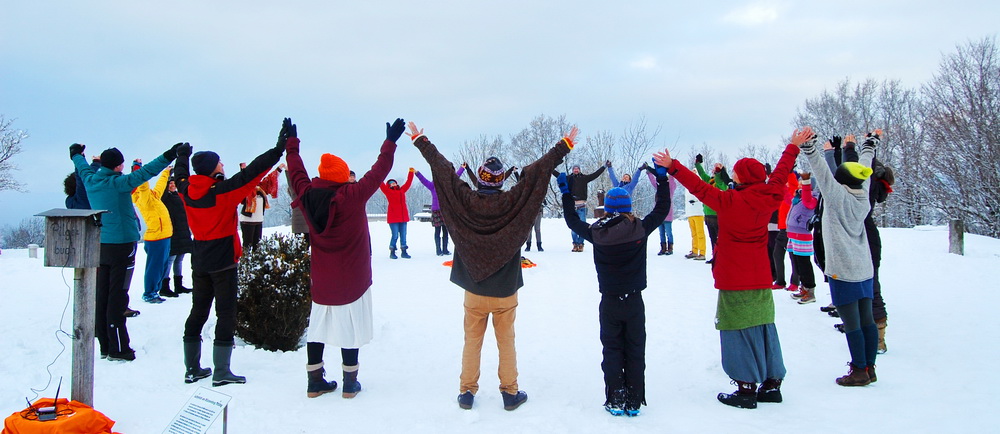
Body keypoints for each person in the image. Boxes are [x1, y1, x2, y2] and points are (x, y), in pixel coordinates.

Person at [410, 121, 574, 412]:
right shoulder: (512, 202)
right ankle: (510, 393)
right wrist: (562, 147)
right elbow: (534, 177)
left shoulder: (466, 200)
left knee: (471, 341)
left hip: (472, 288)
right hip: (505, 289)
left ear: (481, 180)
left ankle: (466, 392)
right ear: (499, 181)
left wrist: (422, 141)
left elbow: (445, 173)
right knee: (506, 342)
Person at [654, 127, 810, 409]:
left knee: (735, 329)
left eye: (736, 173)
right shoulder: (771, 194)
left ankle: (746, 388)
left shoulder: (729, 200)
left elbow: (699, 187)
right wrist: (792, 147)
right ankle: (772, 384)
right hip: (761, 275)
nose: (733, 176)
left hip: (734, 277)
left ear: (743, 178)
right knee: (764, 325)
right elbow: (779, 173)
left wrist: (673, 167)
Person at [287, 118, 406, 399]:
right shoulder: (351, 196)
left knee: (316, 329)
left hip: (323, 278)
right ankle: (350, 383)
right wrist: (390, 143)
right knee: (350, 327)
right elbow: (380, 171)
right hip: (352, 277)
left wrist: (291, 146)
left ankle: (314, 380)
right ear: (341, 176)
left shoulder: (306, 195)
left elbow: (296, 174)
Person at [173, 118, 287, 386]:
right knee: (226, 313)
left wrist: (182, 157)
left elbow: (179, 176)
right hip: (223, 258)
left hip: (199, 256)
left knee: (198, 311)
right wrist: (279, 148)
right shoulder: (223, 192)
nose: (223, 165)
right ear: (213, 170)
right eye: (219, 163)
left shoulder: (186, 190)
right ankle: (221, 371)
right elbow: (254, 172)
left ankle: (192, 369)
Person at [561, 164, 672, 416]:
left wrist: (567, 193)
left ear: (607, 208)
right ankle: (633, 400)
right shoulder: (640, 228)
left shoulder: (596, 232)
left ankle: (615, 398)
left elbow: (570, 220)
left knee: (611, 350)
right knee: (635, 348)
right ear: (628, 207)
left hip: (609, 302)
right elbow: (662, 209)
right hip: (634, 301)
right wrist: (662, 180)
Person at [70, 142, 179, 361]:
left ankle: (104, 345)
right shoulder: (120, 183)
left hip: (101, 244)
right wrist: (169, 155)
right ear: (119, 166)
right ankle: (119, 349)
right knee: (117, 296)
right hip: (122, 246)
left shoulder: (91, 179)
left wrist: (76, 155)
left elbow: (82, 167)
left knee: (102, 295)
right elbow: (148, 171)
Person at [801, 130, 879, 386]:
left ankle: (858, 371)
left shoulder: (837, 198)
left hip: (842, 270)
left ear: (841, 181)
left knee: (852, 324)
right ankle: (869, 367)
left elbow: (821, 172)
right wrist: (870, 143)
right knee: (866, 320)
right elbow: (865, 165)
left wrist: (810, 146)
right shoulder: (862, 194)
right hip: (864, 268)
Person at [130, 160, 174, 302]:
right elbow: (143, 184)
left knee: (161, 266)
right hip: (156, 238)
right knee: (154, 267)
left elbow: (160, 185)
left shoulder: (153, 196)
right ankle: (149, 293)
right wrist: (138, 168)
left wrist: (166, 172)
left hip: (165, 236)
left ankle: (155, 290)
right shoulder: (143, 198)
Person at [554, 163, 607, 252]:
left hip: (582, 205)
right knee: (574, 227)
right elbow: (558, 175)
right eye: (574, 169)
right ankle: (575, 244)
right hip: (572, 206)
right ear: (572, 170)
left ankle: (581, 244)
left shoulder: (584, 178)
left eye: (577, 169)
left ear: (579, 170)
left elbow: (595, 175)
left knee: (582, 226)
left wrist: (604, 167)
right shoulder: (568, 178)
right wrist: (550, 166)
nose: (576, 170)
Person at [415, 164, 465, 256]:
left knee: (446, 231)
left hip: (445, 211)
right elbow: (423, 181)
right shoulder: (432, 185)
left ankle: (445, 249)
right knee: (437, 231)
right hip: (436, 211)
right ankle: (438, 250)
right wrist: (417, 173)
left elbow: (455, 177)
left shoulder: (446, 185)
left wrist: (462, 168)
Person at [785, 172, 819, 304]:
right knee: (796, 262)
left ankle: (810, 291)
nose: (800, 183)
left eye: (802, 182)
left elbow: (808, 203)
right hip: (792, 234)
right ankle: (804, 287)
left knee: (804, 263)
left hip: (802, 234)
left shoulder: (813, 197)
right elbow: (787, 199)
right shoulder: (798, 196)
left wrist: (806, 184)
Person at [162, 169, 194, 295]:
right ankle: (164, 286)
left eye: (174, 183)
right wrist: (167, 175)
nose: (172, 185)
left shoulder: (179, 196)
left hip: (183, 232)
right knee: (170, 259)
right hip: (172, 232)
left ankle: (178, 285)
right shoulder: (164, 198)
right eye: (170, 183)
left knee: (179, 259)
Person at [238, 163, 283, 249]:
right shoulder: (248, 188)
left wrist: (279, 169)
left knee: (257, 246)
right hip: (247, 221)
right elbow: (243, 182)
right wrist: (243, 170)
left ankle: (257, 262)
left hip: (258, 220)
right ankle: (246, 262)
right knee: (248, 245)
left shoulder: (261, 187)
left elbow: (270, 179)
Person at [694, 156, 728, 263]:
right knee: (712, 238)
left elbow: (720, 185)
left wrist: (719, 172)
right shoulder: (709, 181)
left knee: (720, 240)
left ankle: (722, 257)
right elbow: (702, 174)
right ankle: (715, 256)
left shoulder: (722, 184)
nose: (713, 172)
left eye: (715, 171)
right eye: (713, 171)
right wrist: (698, 163)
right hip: (708, 216)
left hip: (717, 216)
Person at [380, 169, 414, 259]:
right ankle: (392, 252)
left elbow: (408, 182)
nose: (393, 184)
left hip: (403, 217)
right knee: (395, 235)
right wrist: (378, 172)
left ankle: (404, 251)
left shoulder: (402, 190)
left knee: (403, 235)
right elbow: (380, 183)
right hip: (393, 218)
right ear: (389, 185)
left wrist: (411, 172)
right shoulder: (388, 191)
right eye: (391, 183)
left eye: (394, 182)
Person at [646, 167, 678, 255]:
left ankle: (670, 248)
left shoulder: (670, 189)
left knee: (668, 232)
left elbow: (671, 180)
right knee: (661, 233)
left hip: (668, 214)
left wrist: (670, 172)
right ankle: (663, 248)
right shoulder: (659, 188)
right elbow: (654, 182)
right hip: (659, 215)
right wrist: (649, 174)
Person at [684, 190, 707, 260]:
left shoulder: (698, 180)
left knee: (700, 233)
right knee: (694, 234)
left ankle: (702, 253)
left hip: (698, 212)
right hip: (690, 212)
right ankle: (695, 250)